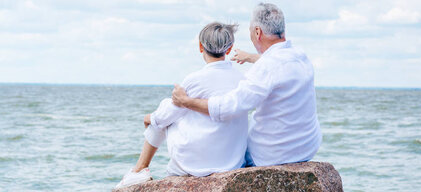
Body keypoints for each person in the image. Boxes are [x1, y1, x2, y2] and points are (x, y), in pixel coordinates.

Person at [172, 3, 322, 167]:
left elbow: (230, 106)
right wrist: (250, 57)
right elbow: (278, 67)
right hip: (307, 148)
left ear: (257, 32)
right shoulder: (300, 57)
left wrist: (185, 101)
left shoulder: (266, 68)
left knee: (228, 151)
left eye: (250, 30)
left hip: (271, 155)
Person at [116, 22, 249, 188]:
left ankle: (140, 169)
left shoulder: (195, 79)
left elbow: (165, 117)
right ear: (229, 49)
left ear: (201, 47)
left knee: (166, 108)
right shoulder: (241, 79)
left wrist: (149, 117)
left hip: (196, 164)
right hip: (231, 161)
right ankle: (140, 169)